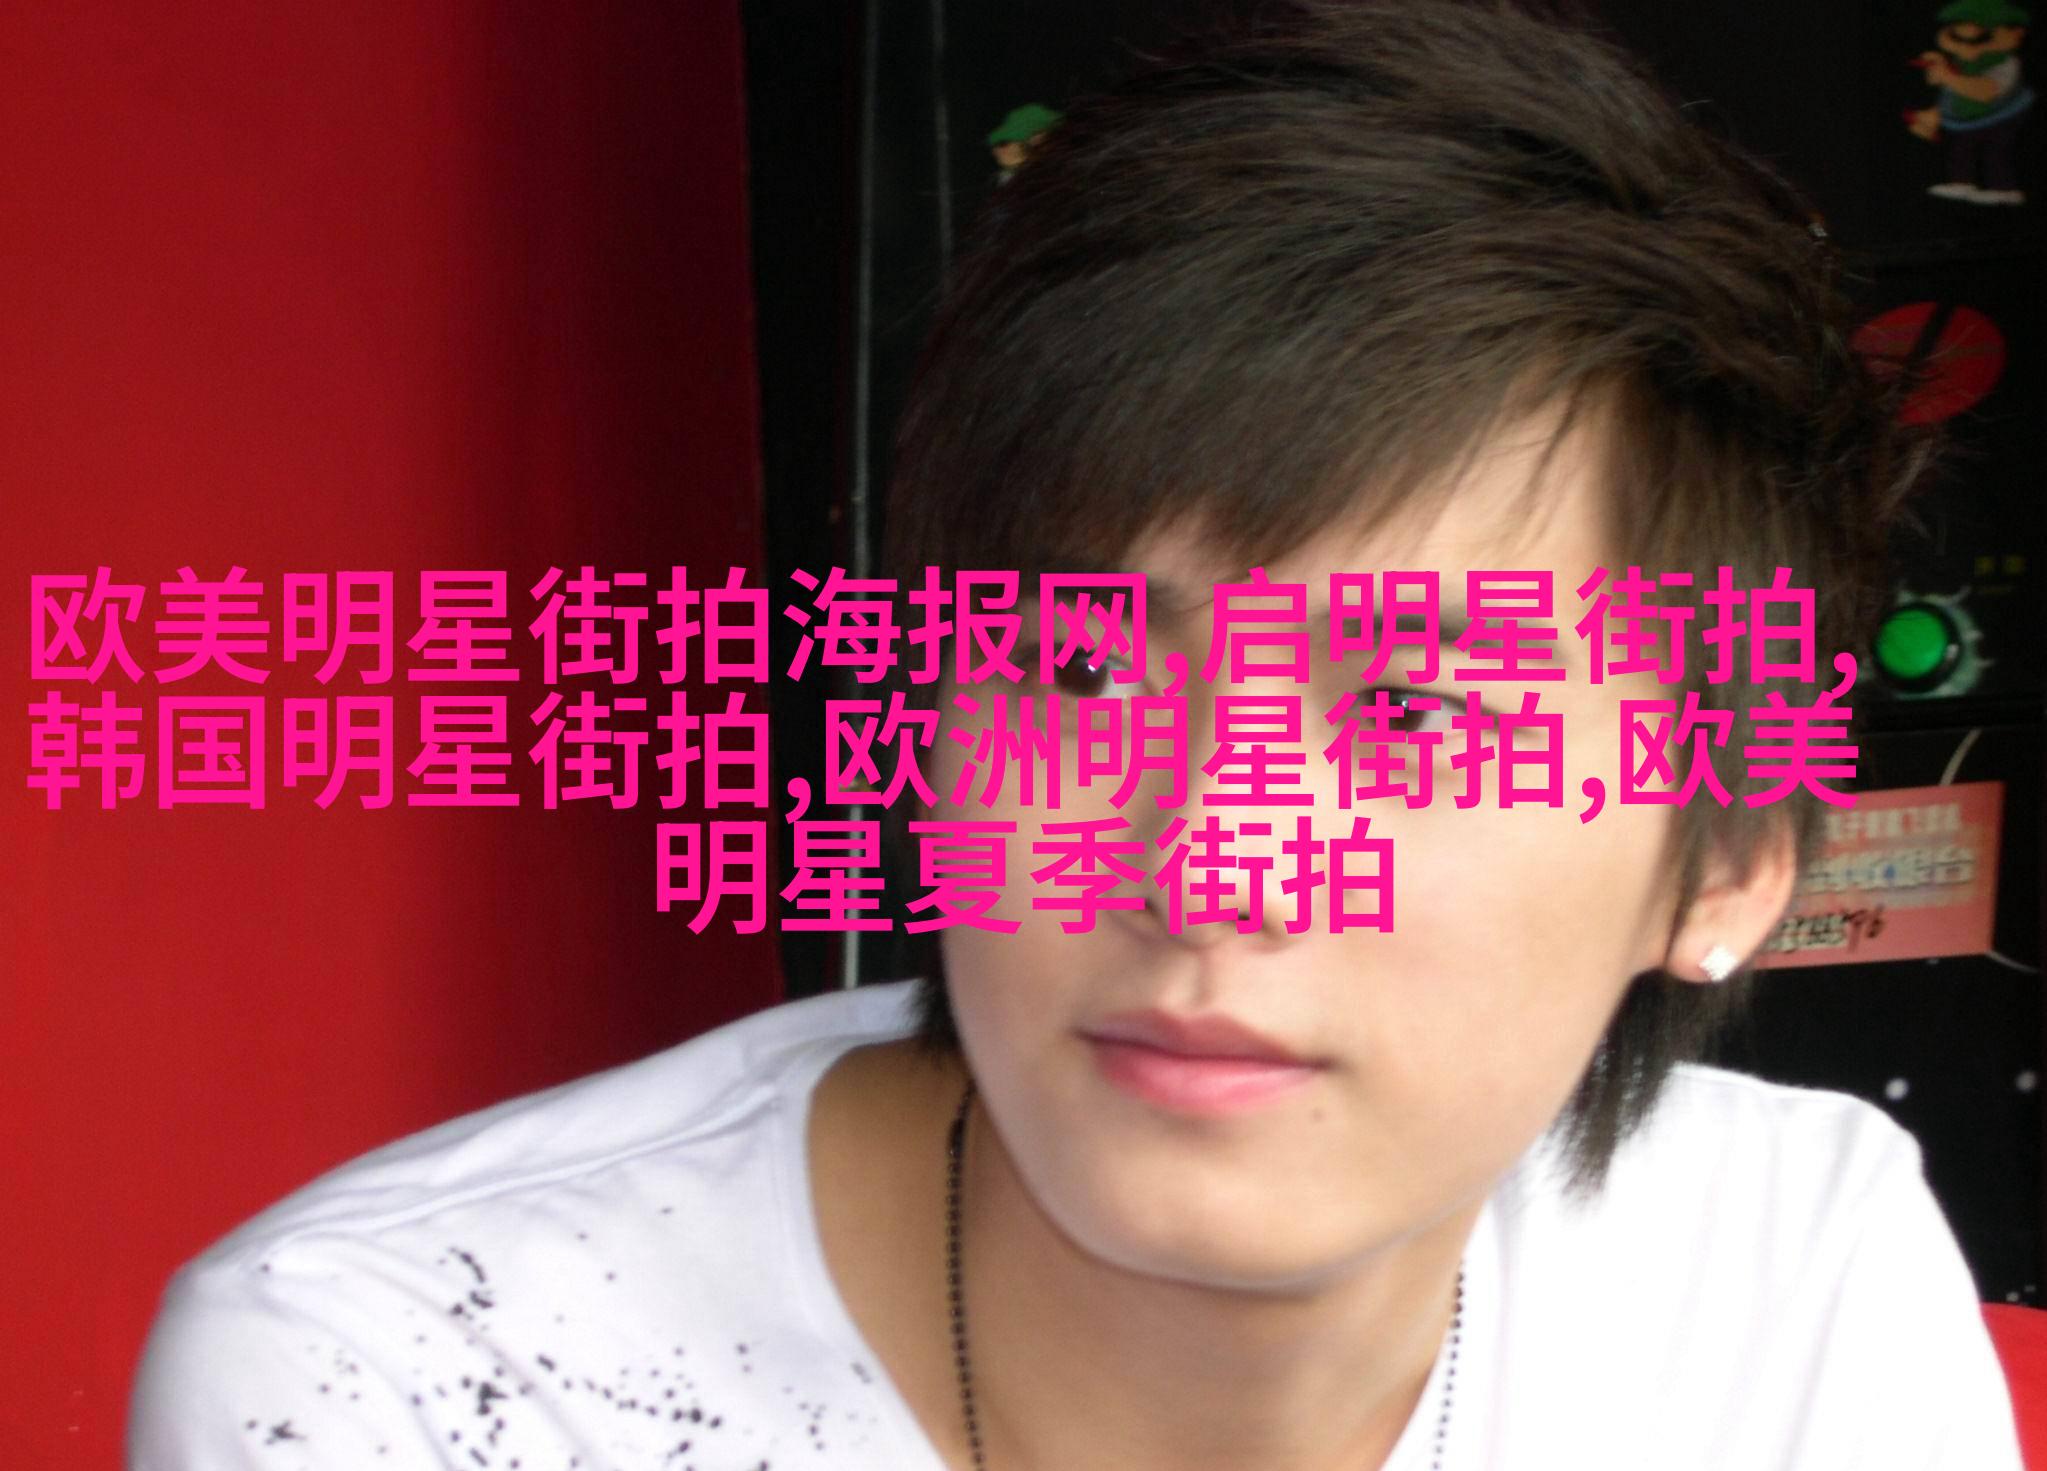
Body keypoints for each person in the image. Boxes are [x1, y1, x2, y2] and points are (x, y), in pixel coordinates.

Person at [129, 2, 2025, 1468]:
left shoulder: (1787, 1267)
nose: (1210, 859)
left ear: (1724, 862)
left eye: (1414, 708)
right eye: (1077, 662)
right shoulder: (420, 1375)